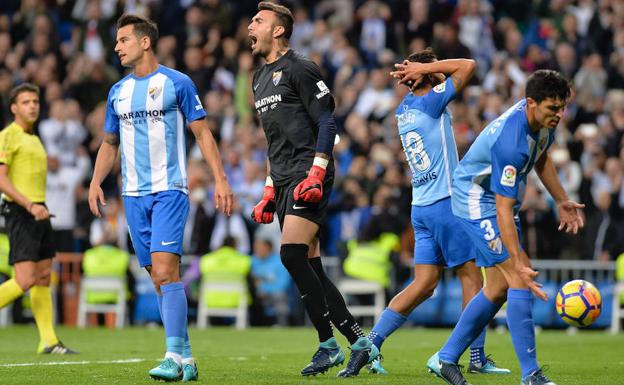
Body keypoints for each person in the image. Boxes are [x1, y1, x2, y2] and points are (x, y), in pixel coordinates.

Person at [88, 14, 233, 382]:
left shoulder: (176, 83)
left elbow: (203, 134)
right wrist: (94, 181)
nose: (117, 47)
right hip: (132, 195)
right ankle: (186, 358)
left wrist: (220, 179)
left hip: (169, 190)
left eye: (123, 40)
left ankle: (170, 355)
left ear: (145, 42)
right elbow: (109, 144)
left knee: (167, 272)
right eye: (117, 41)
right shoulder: (117, 92)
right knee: (158, 278)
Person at [420, 69, 584, 385]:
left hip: (495, 203)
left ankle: (445, 358)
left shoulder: (542, 123)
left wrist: (562, 199)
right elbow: (503, 209)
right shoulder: (511, 143)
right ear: (531, 103)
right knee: (519, 276)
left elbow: (541, 155)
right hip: (474, 200)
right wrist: (517, 260)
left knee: (496, 289)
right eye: (553, 108)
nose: (560, 115)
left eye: (562, 107)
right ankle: (531, 374)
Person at [359, 49, 510, 377]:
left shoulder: (405, 108)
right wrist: (427, 68)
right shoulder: (432, 101)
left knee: (424, 283)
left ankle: (369, 343)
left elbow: (449, 80)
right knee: (473, 277)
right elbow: (468, 66)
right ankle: (476, 356)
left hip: (420, 208)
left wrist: (427, 72)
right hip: (446, 204)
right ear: (428, 72)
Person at [247, 2, 375, 377]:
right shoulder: (258, 79)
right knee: (311, 266)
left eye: (259, 21)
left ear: (279, 30)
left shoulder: (300, 68)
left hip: (308, 173)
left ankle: (327, 345)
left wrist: (317, 172)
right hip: (284, 177)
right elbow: (274, 142)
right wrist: (270, 189)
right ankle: (360, 342)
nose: (250, 26)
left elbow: (326, 122)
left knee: (289, 255)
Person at [0, 83, 77, 354]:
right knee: (25, 279)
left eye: (35, 101)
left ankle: (48, 340)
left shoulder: (34, 137)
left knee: (44, 277)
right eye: (25, 102)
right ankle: (48, 340)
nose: (32, 105)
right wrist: (30, 205)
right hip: (22, 211)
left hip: (40, 210)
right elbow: (1, 179)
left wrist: (39, 206)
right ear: (14, 108)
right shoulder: (8, 135)